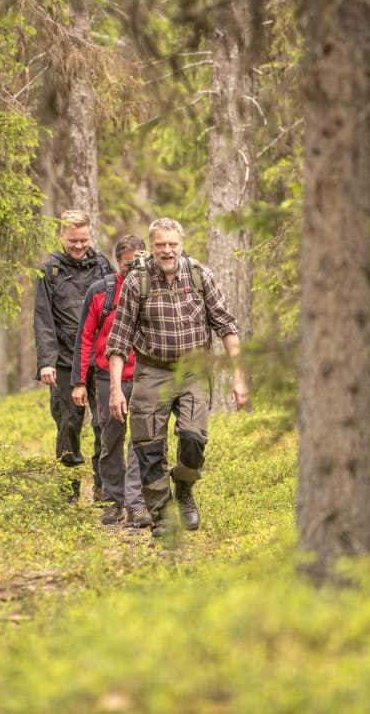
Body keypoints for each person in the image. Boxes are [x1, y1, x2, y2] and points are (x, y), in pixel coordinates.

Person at [106, 217, 248, 537]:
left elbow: (227, 327)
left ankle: (184, 490)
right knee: (147, 445)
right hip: (152, 370)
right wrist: (116, 389)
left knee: (193, 437)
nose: (167, 251)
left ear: (181, 245)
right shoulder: (136, 282)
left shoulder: (201, 276)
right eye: (160, 245)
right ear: (152, 246)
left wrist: (239, 377)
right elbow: (118, 340)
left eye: (172, 244)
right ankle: (161, 514)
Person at [71, 235, 153, 529]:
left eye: (139, 262)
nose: (134, 269)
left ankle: (137, 503)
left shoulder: (152, 288)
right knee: (110, 439)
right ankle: (113, 502)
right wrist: (79, 381)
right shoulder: (101, 291)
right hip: (107, 378)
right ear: (119, 262)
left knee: (141, 441)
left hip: (145, 376)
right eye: (128, 264)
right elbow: (85, 338)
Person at [34, 210, 113, 503]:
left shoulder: (103, 265)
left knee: (104, 422)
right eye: (72, 241)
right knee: (68, 425)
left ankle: (104, 486)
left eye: (83, 240)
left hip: (99, 360)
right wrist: (46, 362)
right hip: (66, 362)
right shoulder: (50, 271)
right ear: (61, 237)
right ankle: (68, 491)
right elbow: (43, 320)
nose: (78, 246)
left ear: (90, 235)